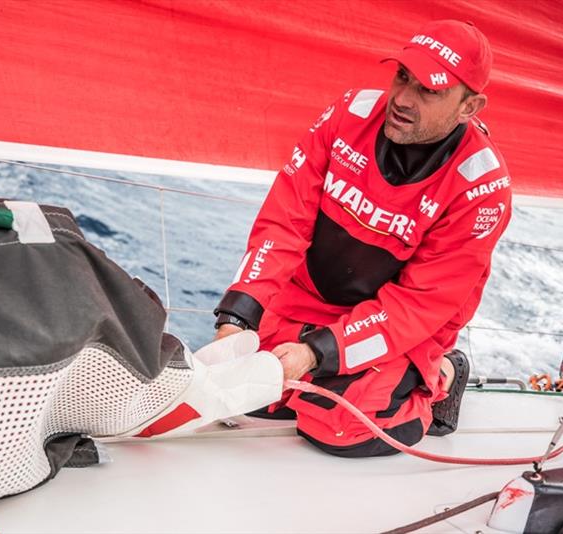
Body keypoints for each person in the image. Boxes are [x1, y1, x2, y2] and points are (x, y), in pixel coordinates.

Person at [213, 20, 512, 457]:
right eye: (402, 77)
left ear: (470, 107)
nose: (403, 100)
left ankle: (444, 373)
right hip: (308, 301)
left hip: (403, 328)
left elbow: (417, 307)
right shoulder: (347, 114)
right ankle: (316, 367)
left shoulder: (481, 188)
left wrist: (316, 353)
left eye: (429, 91)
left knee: (339, 429)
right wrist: (237, 318)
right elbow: (283, 224)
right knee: (252, 395)